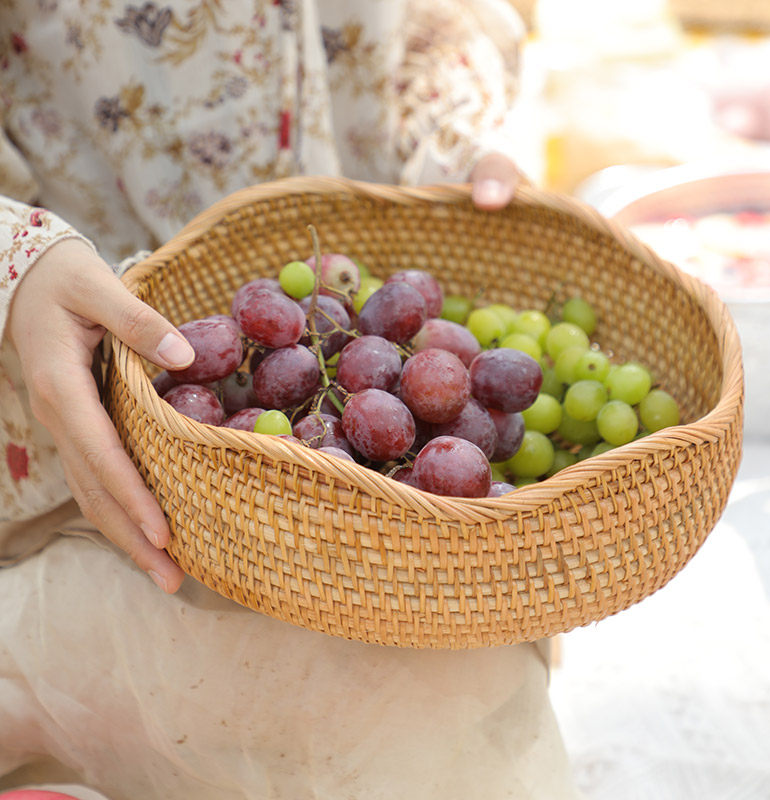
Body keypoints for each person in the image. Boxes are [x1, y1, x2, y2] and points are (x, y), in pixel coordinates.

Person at [0, 2, 580, 797]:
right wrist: (16, 265)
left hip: (366, 527)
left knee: (434, 704)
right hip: (74, 470)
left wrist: (452, 115)